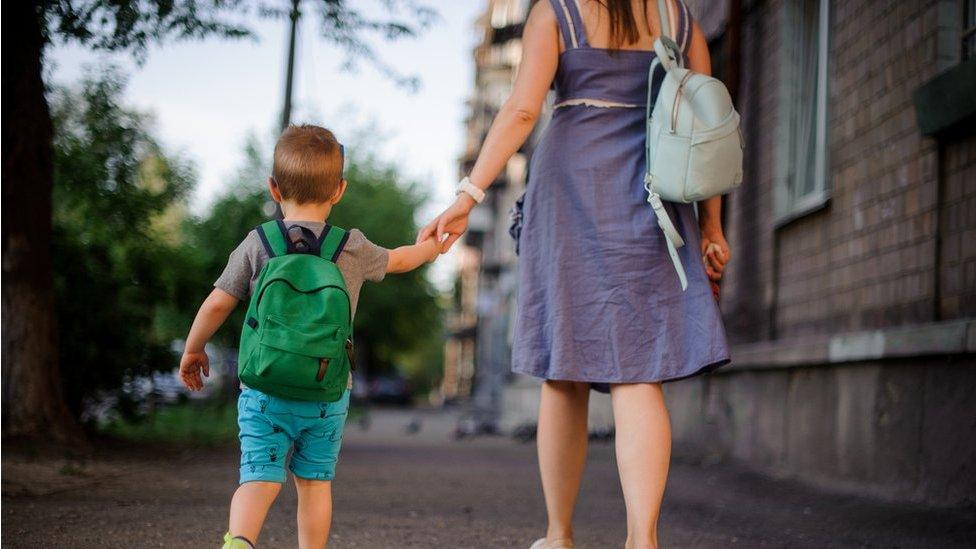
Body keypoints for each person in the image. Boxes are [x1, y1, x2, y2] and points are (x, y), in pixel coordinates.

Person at [418, 1, 732, 548]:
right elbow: (707, 129)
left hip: (570, 193)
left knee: (564, 368)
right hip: (655, 198)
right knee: (639, 371)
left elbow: (521, 110)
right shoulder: (681, 21)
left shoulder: (557, 13)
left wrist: (468, 194)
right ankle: (642, 539)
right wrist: (712, 227)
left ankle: (559, 536)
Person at [179, 125, 443, 549]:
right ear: (339, 190)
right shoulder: (350, 247)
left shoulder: (259, 243)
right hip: (326, 392)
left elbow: (217, 303)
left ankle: (240, 543)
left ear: (273, 186)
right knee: (314, 483)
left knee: (259, 479)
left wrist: (194, 349)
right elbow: (401, 261)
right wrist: (433, 245)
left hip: (263, 387)